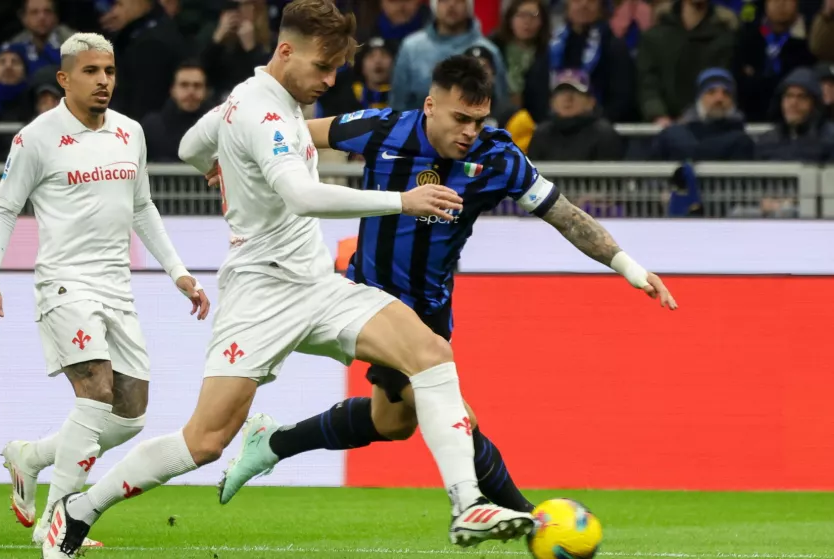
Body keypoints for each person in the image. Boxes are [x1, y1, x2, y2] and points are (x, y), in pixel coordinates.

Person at [41, 2, 537, 557]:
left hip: (317, 284)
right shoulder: (263, 113)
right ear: (285, 51)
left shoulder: (247, 102)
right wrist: (402, 200)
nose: (330, 80)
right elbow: (301, 196)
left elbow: (188, 146)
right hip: (260, 292)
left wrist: (217, 163)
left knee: (431, 353)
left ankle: (466, 504)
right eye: (322, 67)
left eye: (335, 69)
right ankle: (78, 510)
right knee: (205, 441)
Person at [216, 54, 677, 509]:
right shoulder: (382, 128)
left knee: (392, 423)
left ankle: (272, 442)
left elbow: (566, 216)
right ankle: (530, 518)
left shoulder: (499, 156)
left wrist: (629, 267)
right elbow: (293, 134)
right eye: (460, 118)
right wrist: (233, 158)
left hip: (432, 308)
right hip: (370, 304)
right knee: (458, 417)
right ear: (430, 106)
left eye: (478, 120)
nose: (470, 131)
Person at [0, 32, 210, 549]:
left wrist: (179, 272)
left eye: (109, 71)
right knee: (97, 392)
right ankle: (57, 524)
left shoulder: (130, 132)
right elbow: (4, 209)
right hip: (64, 283)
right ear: (64, 78)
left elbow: (143, 207)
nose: (103, 80)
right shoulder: (36, 138)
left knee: (129, 416)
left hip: (116, 287)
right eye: (91, 71)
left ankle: (30, 457)